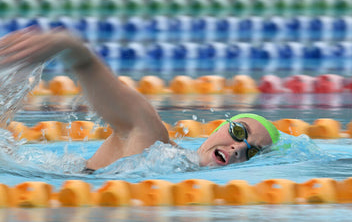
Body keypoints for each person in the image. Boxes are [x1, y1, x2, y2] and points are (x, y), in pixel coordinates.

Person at [0, 27, 279, 173]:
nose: (238, 148)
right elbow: (107, 87)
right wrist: (71, 47)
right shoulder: (153, 140)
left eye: (252, 151)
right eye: (239, 132)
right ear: (221, 126)